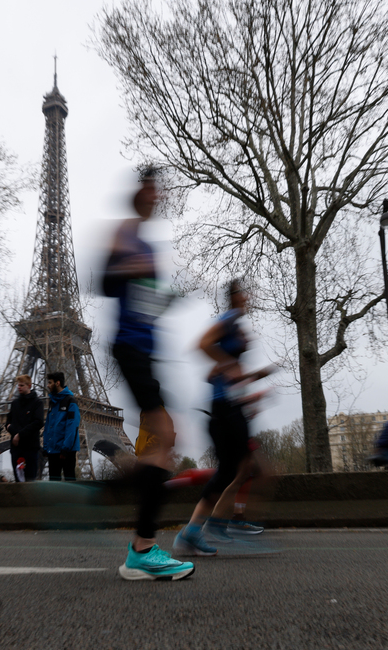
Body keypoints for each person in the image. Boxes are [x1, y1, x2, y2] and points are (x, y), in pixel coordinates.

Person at [102, 169, 193, 581]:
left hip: (145, 352)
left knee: (165, 440)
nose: (157, 197)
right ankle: (141, 550)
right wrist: (129, 265)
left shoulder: (147, 245)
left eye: (160, 191)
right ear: (139, 192)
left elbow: (142, 304)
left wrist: (164, 300)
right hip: (130, 348)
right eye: (151, 189)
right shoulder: (125, 232)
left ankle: (121, 487)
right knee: (164, 438)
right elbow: (104, 281)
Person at [173, 280, 272, 557]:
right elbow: (202, 343)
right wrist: (227, 366)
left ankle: (198, 529)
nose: (249, 297)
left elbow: (230, 371)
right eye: (245, 292)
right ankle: (218, 525)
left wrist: (254, 377)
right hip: (224, 407)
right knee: (246, 469)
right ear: (235, 296)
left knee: (234, 470)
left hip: (230, 405)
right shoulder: (228, 319)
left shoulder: (237, 325)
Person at [43, 372, 80, 481]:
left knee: (70, 482)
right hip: (53, 450)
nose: (48, 385)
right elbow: (48, 426)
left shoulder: (70, 401)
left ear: (57, 383)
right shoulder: (52, 402)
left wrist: (65, 449)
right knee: (53, 486)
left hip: (66, 451)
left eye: (50, 383)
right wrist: (46, 447)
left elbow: (72, 426)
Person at [6, 374, 43, 482]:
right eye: (18, 385)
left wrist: (19, 434)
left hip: (30, 448)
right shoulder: (14, 403)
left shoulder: (37, 403)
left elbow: (38, 422)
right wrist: (14, 431)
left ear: (29, 386)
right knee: (18, 481)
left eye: (21, 385)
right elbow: (7, 422)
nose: (19, 387)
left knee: (30, 481)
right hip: (17, 449)